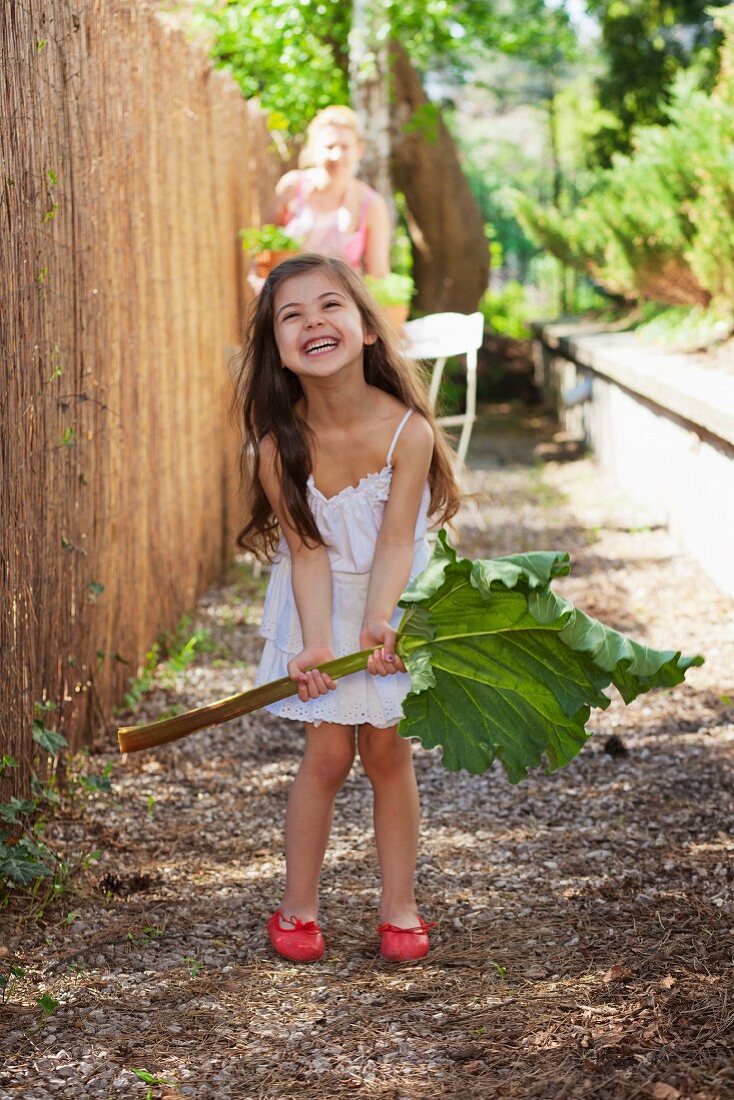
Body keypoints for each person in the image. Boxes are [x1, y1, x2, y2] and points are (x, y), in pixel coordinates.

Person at [234, 253, 461, 963]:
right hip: (317, 598)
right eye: (291, 317)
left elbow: (399, 541)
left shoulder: (409, 432)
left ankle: (399, 907)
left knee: (388, 750)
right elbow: (305, 554)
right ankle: (299, 907)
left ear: (366, 327)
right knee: (328, 753)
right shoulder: (277, 448)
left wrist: (383, 622)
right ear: (278, 352)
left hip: (392, 596)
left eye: (330, 306)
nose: (313, 322)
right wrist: (313, 642)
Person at [273, 106, 391, 278]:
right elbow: (264, 249)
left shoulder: (371, 204)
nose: (336, 155)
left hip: (338, 301)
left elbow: (378, 274)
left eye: (345, 147)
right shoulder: (291, 186)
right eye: (329, 146)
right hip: (288, 299)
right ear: (313, 148)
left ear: (359, 150)